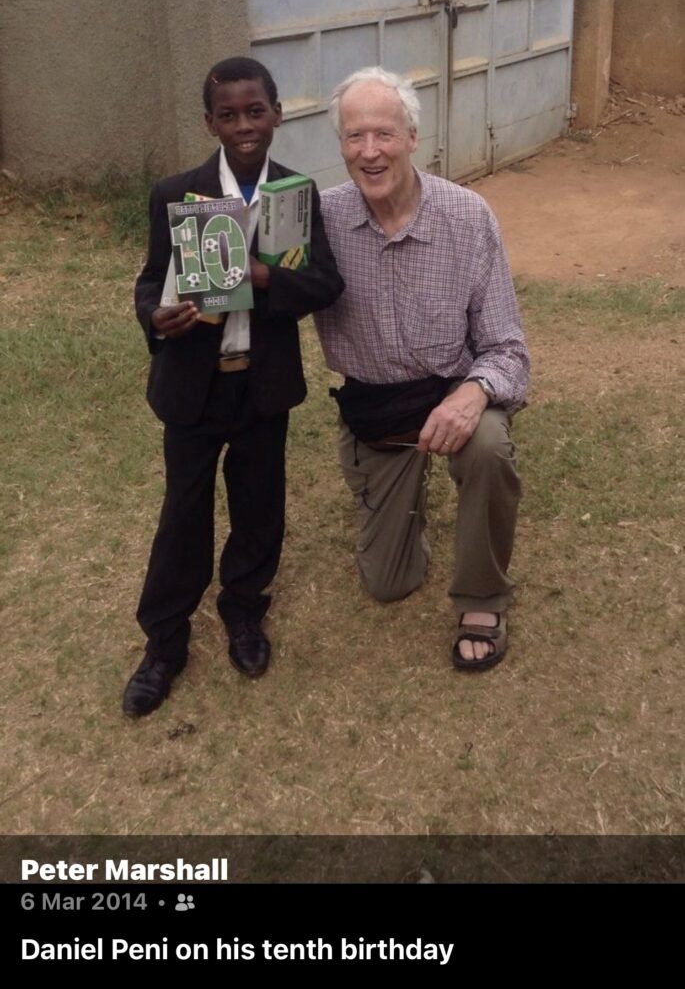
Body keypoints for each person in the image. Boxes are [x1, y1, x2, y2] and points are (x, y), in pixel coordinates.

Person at [123, 57, 344, 716]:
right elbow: (148, 282)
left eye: (255, 111)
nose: (244, 125)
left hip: (261, 387)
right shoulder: (175, 194)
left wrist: (266, 275)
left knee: (258, 506)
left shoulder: (296, 194)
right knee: (182, 515)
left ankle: (244, 611)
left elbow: (325, 283)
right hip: (192, 390)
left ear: (277, 114)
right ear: (210, 123)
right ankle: (165, 643)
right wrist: (155, 317)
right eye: (229, 115)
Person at [315, 67, 530, 670]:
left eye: (383, 134)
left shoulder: (468, 217)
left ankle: (482, 598)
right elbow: (260, 290)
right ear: (341, 147)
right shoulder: (319, 222)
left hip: (449, 394)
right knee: (388, 582)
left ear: (412, 137)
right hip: (375, 408)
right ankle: (407, 517)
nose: (369, 151)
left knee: (487, 444)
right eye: (354, 137)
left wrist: (471, 396)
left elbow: (508, 349)